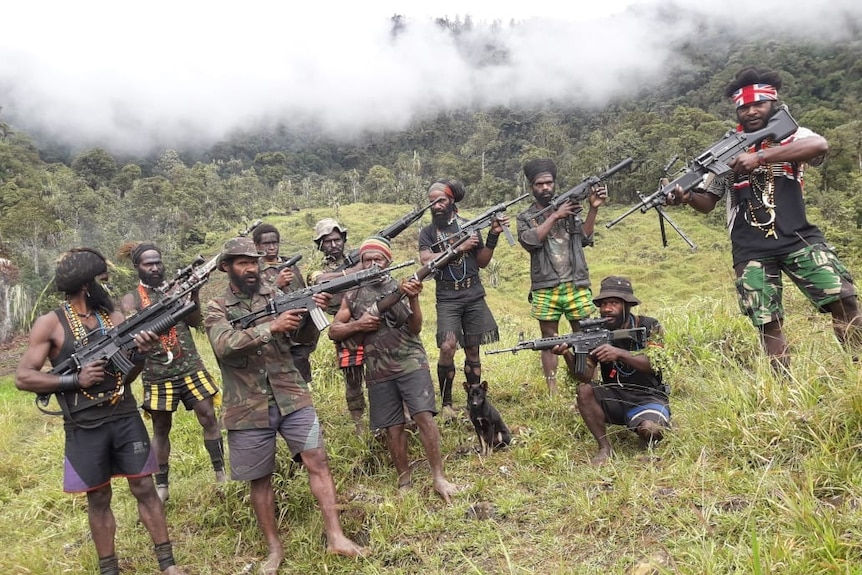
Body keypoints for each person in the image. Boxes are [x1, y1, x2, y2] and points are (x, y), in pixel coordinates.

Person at [665, 66, 861, 370]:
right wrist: (686, 196)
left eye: (759, 104)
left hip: (799, 237)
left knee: (844, 299)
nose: (752, 111)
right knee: (767, 321)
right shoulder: (725, 152)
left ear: (773, 103)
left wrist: (759, 157)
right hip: (750, 248)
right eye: (744, 106)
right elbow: (709, 201)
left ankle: (858, 366)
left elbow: (819, 146)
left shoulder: (792, 134)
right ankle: (786, 391)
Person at [15, 248, 186, 575]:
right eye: (99, 280)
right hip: (84, 426)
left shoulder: (114, 319)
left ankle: (168, 565)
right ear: (85, 285)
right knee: (98, 498)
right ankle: (110, 570)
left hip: (124, 415)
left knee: (145, 488)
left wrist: (141, 354)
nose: (103, 286)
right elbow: (24, 376)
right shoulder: (50, 323)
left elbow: (127, 375)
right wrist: (73, 380)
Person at [203, 237, 367, 573]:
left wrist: (310, 314)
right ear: (226, 267)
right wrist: (269, 327)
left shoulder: (277, 296)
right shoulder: (216, 306)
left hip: (291, 394)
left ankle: (336, 535)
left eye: (254, 262)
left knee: (317, 460)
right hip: (247, 405)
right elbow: (223, 345)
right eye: (242, 263)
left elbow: (303, 340)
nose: (251, 268)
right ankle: (274, 550)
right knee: (260, 478)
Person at [329, 236, 460, 503]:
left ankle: (438, 477)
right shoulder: (352, 294)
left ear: (388, 261)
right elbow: (334, 330)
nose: (373, 263)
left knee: (424, 416)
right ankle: (404, 480)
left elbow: (415, 328)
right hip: (377, 369)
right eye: (367, 259)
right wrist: (358, 325)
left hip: (410, 361)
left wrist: (413, 299)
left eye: (378, 258)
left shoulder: (399, 286)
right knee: (393, 428)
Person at [119, 242, 225, 504]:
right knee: (161, 427)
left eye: (158, 262)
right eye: (148, 264)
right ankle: (162, 485)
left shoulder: (178, 288)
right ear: (137, 268)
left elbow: (194, 321)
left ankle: (221, 473)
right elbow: (128, 336)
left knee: (208, 416)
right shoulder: (131, 300)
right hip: (156, 372)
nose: (155, 268)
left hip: (189, 365)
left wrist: (194, 294)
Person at [553, 276, 670, 466]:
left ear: (627, 305)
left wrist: (619, 353)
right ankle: (604, 448)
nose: (607, 309)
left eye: (614, 303)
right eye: (604, 304)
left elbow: (656, 363)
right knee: (584, 389)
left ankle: (650, 424)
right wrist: (567, 353)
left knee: (651, 430)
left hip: (649, 396)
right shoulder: (594, 332)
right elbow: (585, 375)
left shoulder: (650, 326)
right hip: (614, 396)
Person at [516, 159, 608, 395]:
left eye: (549, 183)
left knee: (586, 335)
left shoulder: (570, 209)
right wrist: (556, 215)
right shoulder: (526, 217)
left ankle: (590, 384)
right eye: (540, 184)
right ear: (532, 187)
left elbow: (585, 238)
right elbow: (530, 241)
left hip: (576, 283)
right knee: (549, 338)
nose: (545, 187)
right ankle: (553, 389)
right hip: (545, 285)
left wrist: (594, 208)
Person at [418, 179, 506, 417]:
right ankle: (446, 404)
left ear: (451, 201)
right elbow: (426, 261)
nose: (436, 205)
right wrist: (458, 248)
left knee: (473, 350)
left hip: (473, 294)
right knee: (447, 346)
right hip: (447, 297)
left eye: (441, 200)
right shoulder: (427, 233)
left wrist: (493, 237)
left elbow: (482, 262)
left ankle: (474, 403)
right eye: (432, 202)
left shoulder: (470, 225)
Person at [308, 217, 368, 434]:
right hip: (343, 326)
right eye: (327, 242)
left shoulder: (357, 257)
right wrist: (353, 272)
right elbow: (322, 280)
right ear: (320, 245)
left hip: (368, 318)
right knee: (353, 378)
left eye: (336, 239)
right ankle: (359, 424)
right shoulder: (315, 268)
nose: (333, 245)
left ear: (343, 239)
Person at [252, 223, 318, 384]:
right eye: (266, 244)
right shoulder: (253, 271)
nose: (272, 247)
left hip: (298, 336)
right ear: (257, 245)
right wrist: (276, 285)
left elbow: (304, 293)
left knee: (301, 383)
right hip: (273, 336)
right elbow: (254, 303)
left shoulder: (291, 266)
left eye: (275, 242)